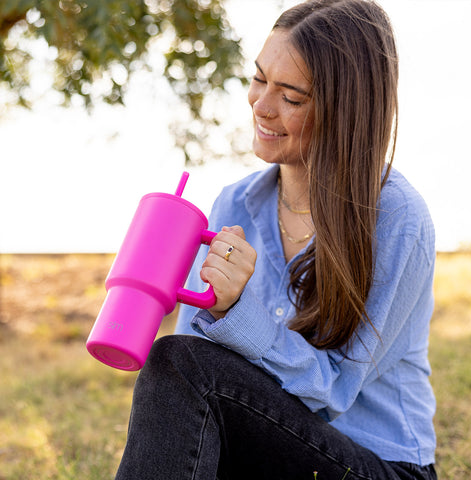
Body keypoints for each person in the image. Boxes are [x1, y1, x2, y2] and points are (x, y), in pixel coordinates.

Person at [115, 1, 437, 478]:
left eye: (291, 96)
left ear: (345, 111)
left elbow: (334, 391)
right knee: (176, 361)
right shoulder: (233, 205)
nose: (261, 106)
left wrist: (233, 313)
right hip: (266, 447)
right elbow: (194, 371)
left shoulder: (395, 217)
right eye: (259, 78)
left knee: (180, 362)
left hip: (374, 464)